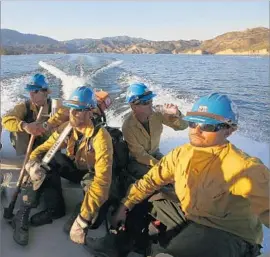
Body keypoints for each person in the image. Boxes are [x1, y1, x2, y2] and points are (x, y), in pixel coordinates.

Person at [110, 92, 269, 257]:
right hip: (191, 215)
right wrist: (125, 206)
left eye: (208, 126)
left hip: (228, 233)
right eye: (193, 123)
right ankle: (123, 246)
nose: (196, 131)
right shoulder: (181, 154)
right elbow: (149, 181)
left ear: (229, 130)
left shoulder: (247, 169)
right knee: (143, 199)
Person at [85, 83, 188, 256]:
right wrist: (165, 170)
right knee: (152, 187)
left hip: (156, 155)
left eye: (150, 100)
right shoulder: (128, 126)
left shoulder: (157, 115)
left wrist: (176, 115)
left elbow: (182, 126)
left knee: (179, 179)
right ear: (133, 106)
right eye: (145, 102)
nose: (150, 104)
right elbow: (139, 155)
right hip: (138, 161)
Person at [20, 86, 114, 247]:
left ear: (90, 111)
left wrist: (83, 219)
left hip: (91, 173)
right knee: (48, 160)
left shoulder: (101, 137)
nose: (73, 114)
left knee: (94, 219)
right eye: (71, 109)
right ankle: (55, 208)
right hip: (73, 167)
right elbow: (44, 148)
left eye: (79, 110)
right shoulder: (67, 128)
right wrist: (33, 163)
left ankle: (81, 209)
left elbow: (102, 181)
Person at [1, 73, 51, 155]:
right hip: (26, 147)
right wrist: (24, 126)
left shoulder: (56, 107)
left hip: (46, 145)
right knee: (19, 127)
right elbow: (6, 120)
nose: (31, 95)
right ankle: (23, 157)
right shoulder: (24, 106)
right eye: (30, 91)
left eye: (35, 91)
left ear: (45, 92)